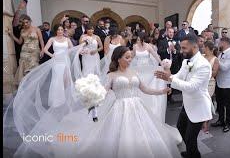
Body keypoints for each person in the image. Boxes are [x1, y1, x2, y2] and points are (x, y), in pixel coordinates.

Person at [6, 46, 182, 158]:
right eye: (127, 57)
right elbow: (103, 93)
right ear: (118, 58)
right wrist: (92, 98)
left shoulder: (134, 73)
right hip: (119, 108)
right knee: (118, 136)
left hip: (137, 107)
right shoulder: (111, 75)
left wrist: (161, 91)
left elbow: (144, 89)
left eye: (131, 57)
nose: (130, 60)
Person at [3, 25, 86, 156]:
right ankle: (56, 100)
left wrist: (81, 50)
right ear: (55, 31)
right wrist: (53, 55)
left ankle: (65, 98)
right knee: (57, 81)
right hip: (57, 62)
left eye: (61, 30)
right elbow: (45, 49)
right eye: (58, 30)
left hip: (65, 62)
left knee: (66, 81)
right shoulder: (52, 39)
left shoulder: (67, 40)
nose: (59, 31)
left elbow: (72, 49)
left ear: (63, 31)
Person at [155, 34, 213, 158]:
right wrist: (168, 77)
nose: (181, 51)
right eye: (181, 48)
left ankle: (194, 155)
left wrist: (170, 78)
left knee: (190, 138)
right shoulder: (186, 61)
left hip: (198, 106)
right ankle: (190, 152)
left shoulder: (203, 65)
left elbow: (192, 87)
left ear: (195, 46)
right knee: (181, 129)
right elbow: (179, 76)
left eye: (184, 48)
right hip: (186, 105)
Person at [130, 32, 168, 122]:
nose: (138, 41)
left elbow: (155, 56)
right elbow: (132, 57)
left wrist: (162, 64)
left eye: (139, 39)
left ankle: (149, 106)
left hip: (148, 69)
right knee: (139, 86)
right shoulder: (135, 47)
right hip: (138, 70)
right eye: (137, 39)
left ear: (143, 39)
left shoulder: (148, 46)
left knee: (149, 86)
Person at [7, 15, 45, 85]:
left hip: (34, 52)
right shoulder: (22, 30)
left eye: (27, 22)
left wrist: (42, 50)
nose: (25, 24)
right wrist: (12, 35)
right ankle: (26, 86)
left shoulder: (37, 29)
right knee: (24, 69)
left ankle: (34, 85)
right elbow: (20, 42)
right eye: (24, 23)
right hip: (24, 52)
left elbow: (41, 40)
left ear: (30, 21)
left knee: (33, 68)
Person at [211, 37, 230, 133]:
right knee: (220, 104)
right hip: (219, 82)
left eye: (219, 43)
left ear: (224, 43)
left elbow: (225, 67)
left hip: (228, 84)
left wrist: (215, 60)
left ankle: (227, 123)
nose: (217, 45)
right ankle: (221, 120)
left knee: (228, 105)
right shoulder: (221, 53)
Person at [157, 27, 183, 103]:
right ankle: (164, 96)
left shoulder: (176, 41)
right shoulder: (162, 41)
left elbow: (179, 52)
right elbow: (159, 51)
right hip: (165, 64)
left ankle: (170, 96)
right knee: (164, 80)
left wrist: (174, 50)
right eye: (169, 32)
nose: (171, 33)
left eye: (172, 32)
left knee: (171, 80)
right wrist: (168, 49)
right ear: (167, 33)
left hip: (174, 64)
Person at [202, 41, 219, 133]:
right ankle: (201, 121)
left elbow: (215, 73)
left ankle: (206, 124)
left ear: (207, 48)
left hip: (210, 84)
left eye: (204, 47)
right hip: (201, 83)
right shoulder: (201, 56)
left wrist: (202, 73)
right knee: (201, 103)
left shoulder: (215, 59)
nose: (202, 48)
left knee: (207, 103)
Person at [12, 0, 27, 66]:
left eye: (22, 3)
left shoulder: (23, 14)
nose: (20, 3)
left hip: (18, 33)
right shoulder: (16, 11)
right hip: (14, 31)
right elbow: (14, 20)